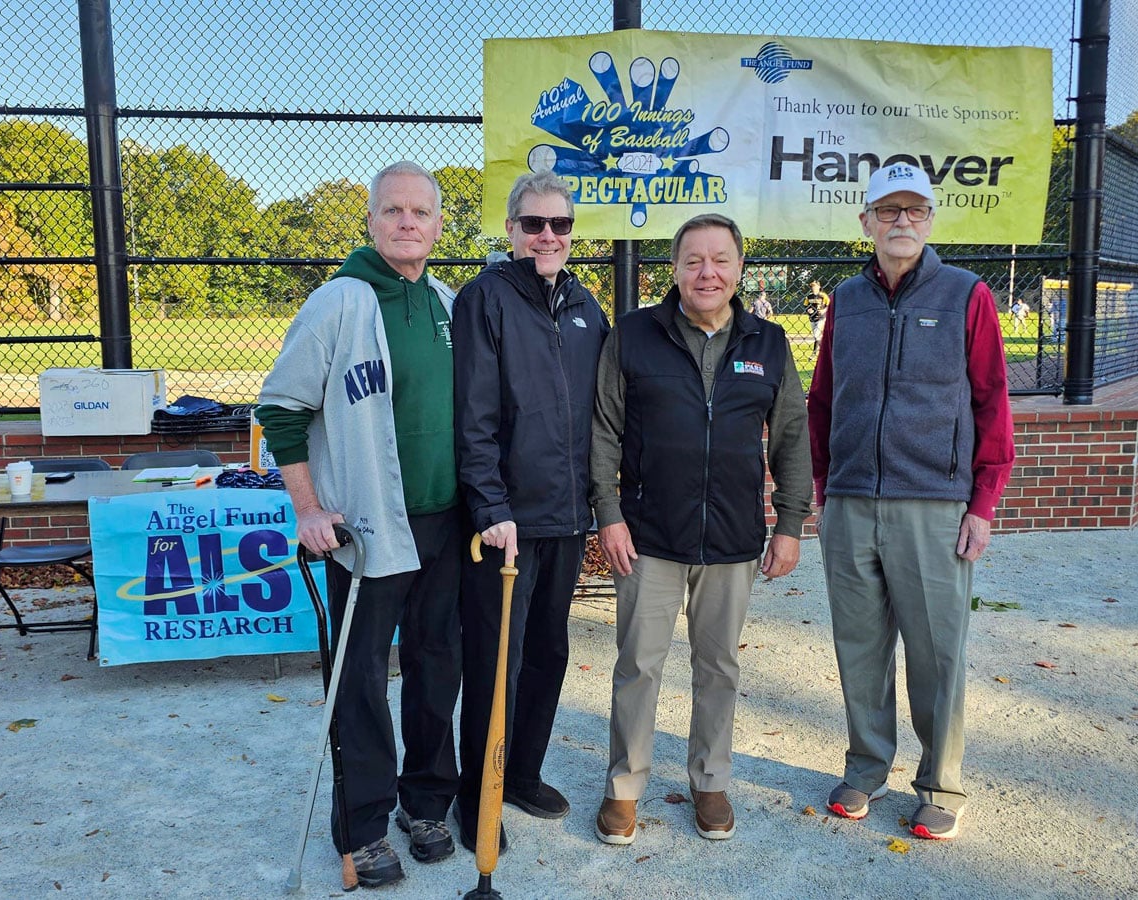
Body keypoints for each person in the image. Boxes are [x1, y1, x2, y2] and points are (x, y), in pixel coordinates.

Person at [256, 161, 462, 887]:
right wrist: (307, 507)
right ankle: (364, 827)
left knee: (440, 669)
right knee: (363, 680)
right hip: (369, 529)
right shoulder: (339, 301)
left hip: (444, 525)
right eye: (393, 211)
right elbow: (280, 408)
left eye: (421, 213)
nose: (408, 223)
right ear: (371, 221)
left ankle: (427, 803)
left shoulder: (446, 300)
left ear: (440, 225)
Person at [808, 163, 1015, 841]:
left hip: (935, 502)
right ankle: (866, 767)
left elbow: (990, 400)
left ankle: (941, 783)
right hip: (849, 501)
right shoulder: (847, 299)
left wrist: (982, 503)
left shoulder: (967, 294)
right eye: (888, 210)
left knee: (937, 652)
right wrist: (821, 482)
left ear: (931, 220)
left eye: (915, 210)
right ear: (865, 222)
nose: (902, 222)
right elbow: (824, 395)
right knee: (860, 646)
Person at [590, 213, 812, 846]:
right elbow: (604, 431)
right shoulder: (633, 335)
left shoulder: (769, 343)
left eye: (720, 260)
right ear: (676, 269)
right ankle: (625, 786)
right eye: (693, 260)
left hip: (733, 541)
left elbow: (791, 439)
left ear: (740, 269)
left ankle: (709, 780)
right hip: (648, 536)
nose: (707, 272)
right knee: (638, 664)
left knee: (718, 667)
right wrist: (608, 514)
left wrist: (790, 523)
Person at [452, 171, 609, 852]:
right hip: (507, 522)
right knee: (496, 661)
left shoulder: (586, 306)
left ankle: (521, 773)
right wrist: (490, 505)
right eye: (535, 224)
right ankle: (475, 795)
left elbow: (605, 415)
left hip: (567, 519)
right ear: (512, 229)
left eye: (561, 225)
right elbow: (474, 413)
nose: (549, 236)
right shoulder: (485, 298)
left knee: (548, 652)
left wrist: (603, 507)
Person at [804, 279, 830, 355]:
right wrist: (808, 310)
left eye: (815, 286)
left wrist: (824, 310)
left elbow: (829, 305)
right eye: (812, 286)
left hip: (821, 318)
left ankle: (814, 352)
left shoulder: (823, 296)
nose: (813, 288)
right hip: (812, 318)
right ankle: (825, 350)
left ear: (819, 287)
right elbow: (805, 306)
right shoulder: (809, 296)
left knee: (816, 334)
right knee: (817, 336)